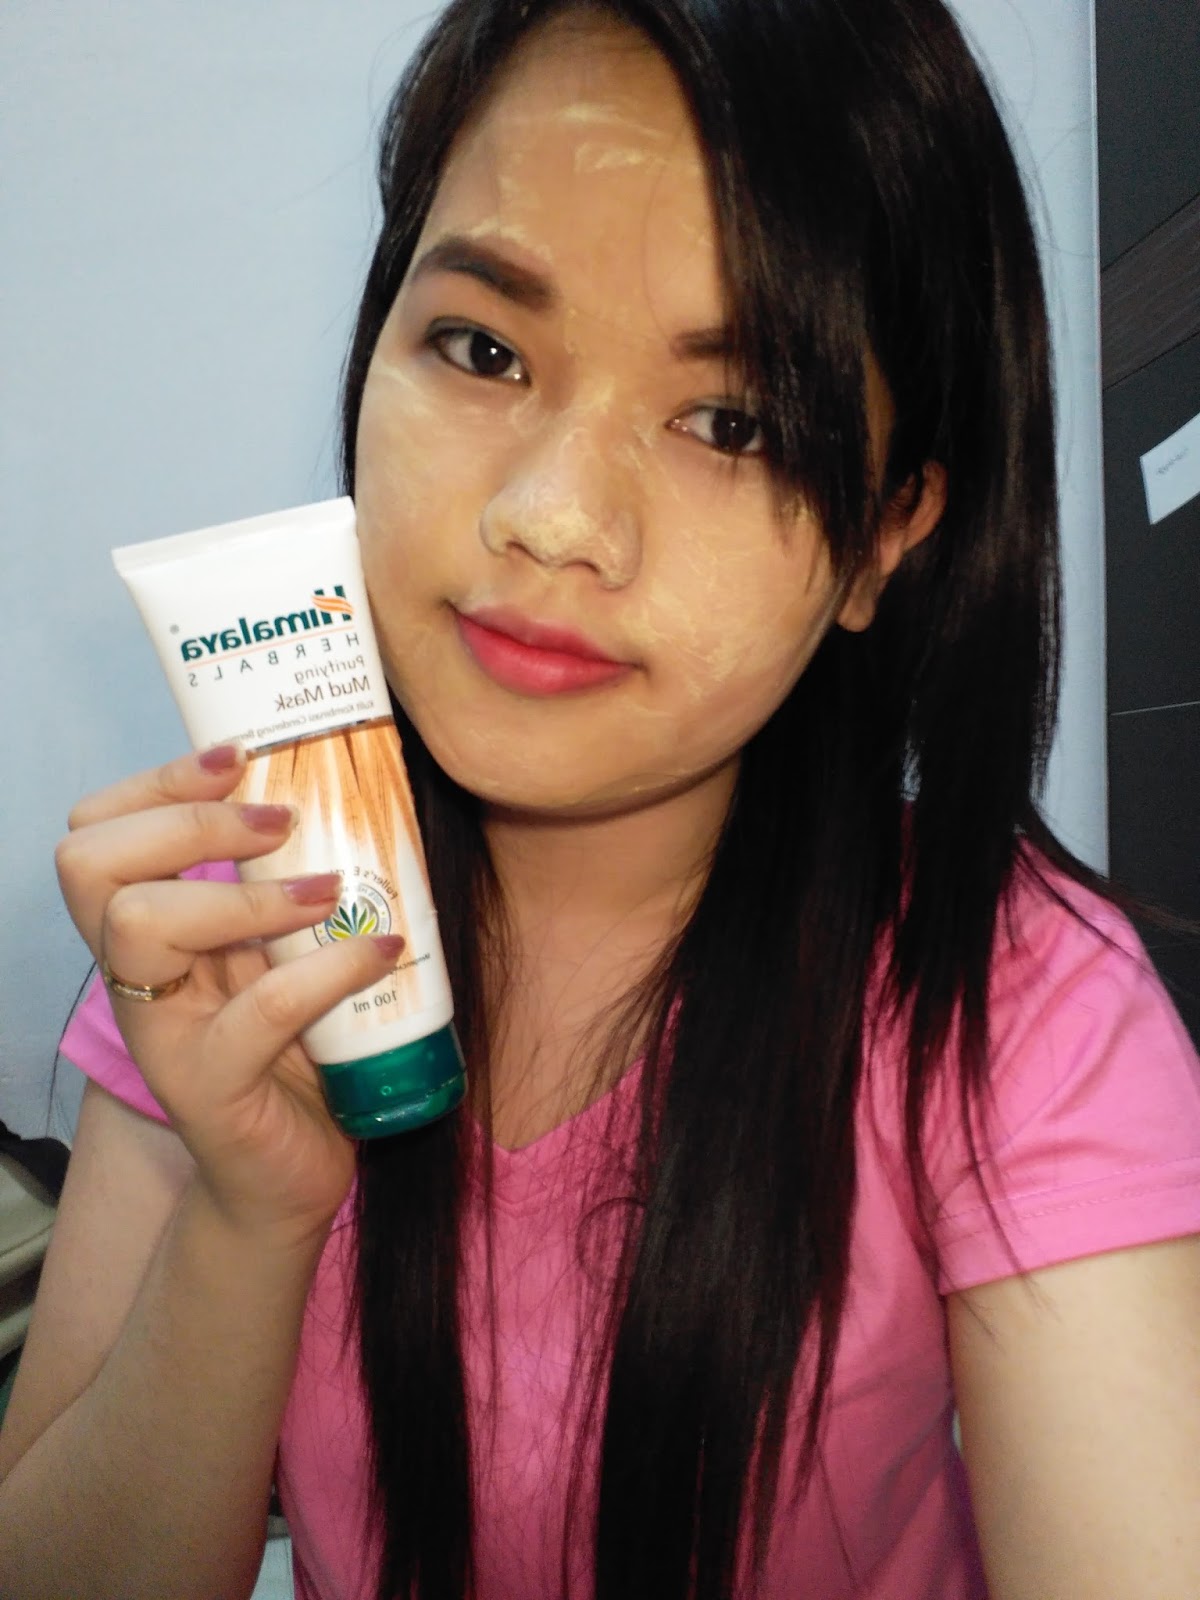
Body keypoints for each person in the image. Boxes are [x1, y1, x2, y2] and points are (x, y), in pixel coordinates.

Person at [1, 0, 1198, 1595]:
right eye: (483, 349)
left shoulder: (1012, 999)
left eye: (731, 421)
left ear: (884, 537)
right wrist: (246, 1219)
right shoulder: (239, 936)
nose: (553, 516)